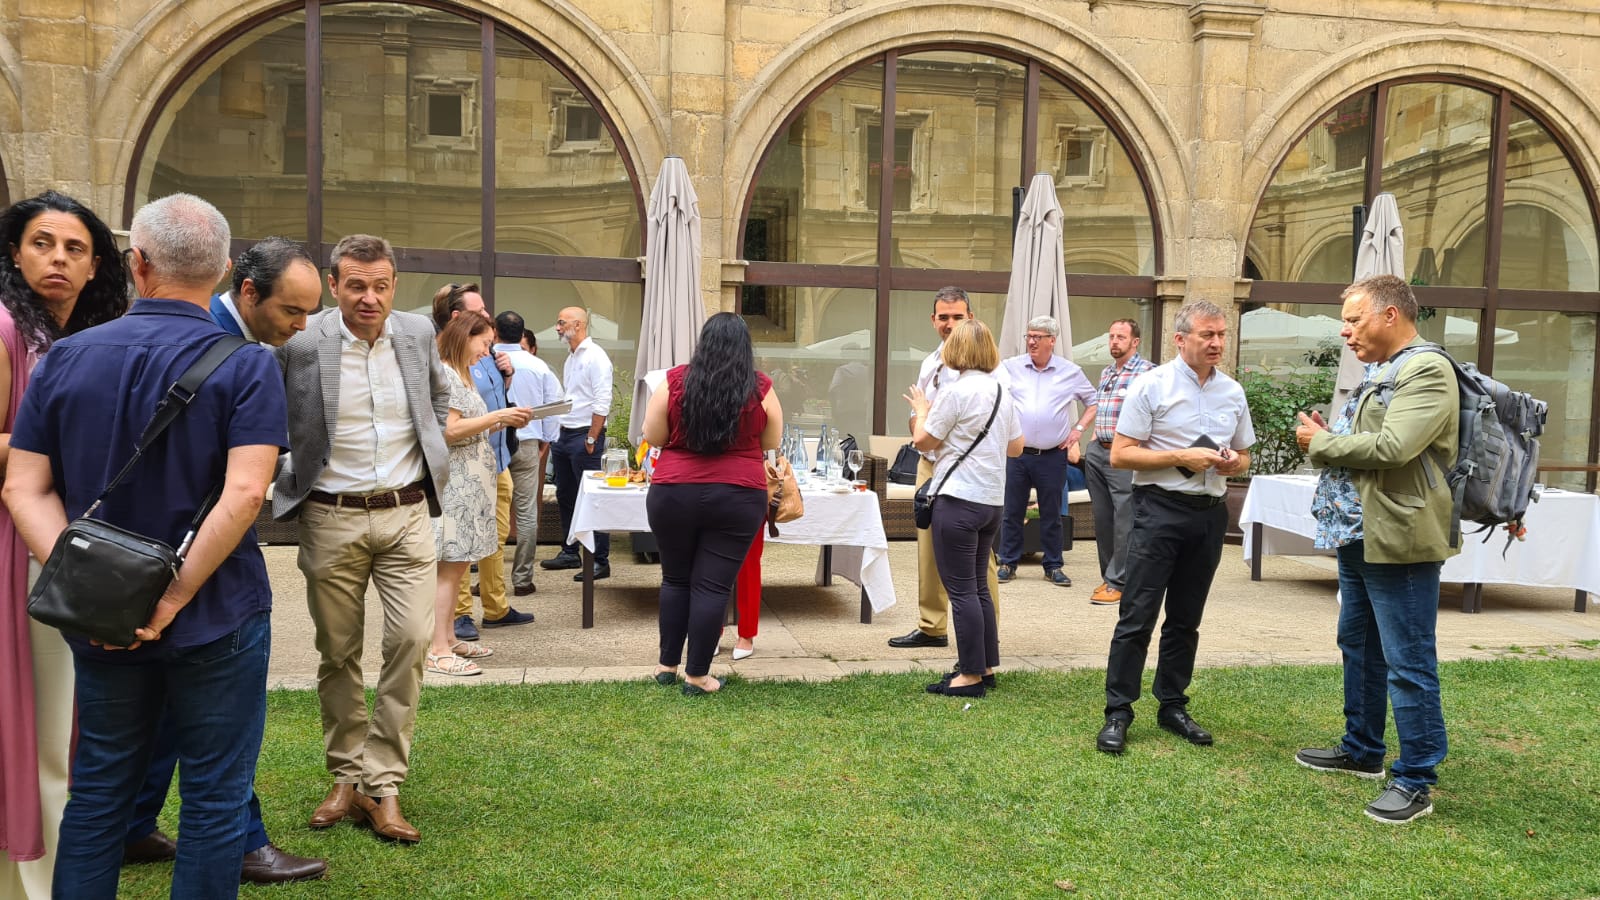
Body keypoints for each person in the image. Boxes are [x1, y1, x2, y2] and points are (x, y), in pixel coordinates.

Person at [3, 192, 286, 898]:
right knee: (215, 798)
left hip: (102, 621)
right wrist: (175, 594)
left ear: (136, 264)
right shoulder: (247, 365)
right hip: (218, 609)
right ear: (223, 271)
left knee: (99, 788)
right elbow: (246, 495)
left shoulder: (65, 357)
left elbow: (21, 488)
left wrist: (88, 586)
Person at [126, 236, 328, 884]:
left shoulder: (175, 339)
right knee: (221, 723)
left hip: (147, 554)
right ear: (247, 290)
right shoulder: (236, 355)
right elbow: (241, 490)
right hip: (205, 561)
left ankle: (132, 821)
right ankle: (244, 841)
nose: (300, 328)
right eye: (293, 312)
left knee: (159, 706)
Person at [273, 233, 450, 844]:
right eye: (356, 285)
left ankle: (384, 782)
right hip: (330, 515)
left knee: (411, 641)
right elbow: (266, 413)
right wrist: (280, 472)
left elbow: (437, 396)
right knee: (339, 651)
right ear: (334, 284)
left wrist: (433, 454)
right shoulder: (302, 340)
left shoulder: (418, 333)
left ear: (394, 284)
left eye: (380, 285)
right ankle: (346, 777)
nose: (368, 297)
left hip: (405, 514)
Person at [1292, 274, 1459, 824]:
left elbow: (1393, 447)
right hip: (1360, 532)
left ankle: (1415, 780)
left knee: (1408, 660)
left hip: (1401, 539)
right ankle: (1362, 750)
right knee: (1359, 644)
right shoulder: (1381, 371)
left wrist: (1322, 444)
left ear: (1390, 315)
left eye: (1354, 319)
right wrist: (1331, 435)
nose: (1345, 331)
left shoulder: (1427, 369)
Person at [0, 191, 128, 898]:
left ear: (96, 264)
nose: (57, 259)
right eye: (42, 243)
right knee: (49, 726)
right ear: (16, 253)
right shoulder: (5, 328)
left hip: (64, 542)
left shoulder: (79, 334)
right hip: (22, 547)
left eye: (74, 248)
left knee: (66, 726)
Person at [1097, 299, 1253, 755]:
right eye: (1208, 335)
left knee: (1186, 618)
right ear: (1180, 339)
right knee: (1138, 615)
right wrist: (1180, 457)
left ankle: (1172, 705)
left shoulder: (1233, 392)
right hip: (1158, 510)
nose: (1217, 343)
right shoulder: (1152, 385)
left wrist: (1231, 464)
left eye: (1222, 334)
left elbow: (1244, 454)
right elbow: (1121, 454)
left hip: (1208, 514)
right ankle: (1118, 711)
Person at [642, 313, 782, 695]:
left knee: (675, 578)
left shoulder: (673, 381)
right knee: (712, 586)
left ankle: (666, 664)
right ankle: (697, 675)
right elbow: (771, 440)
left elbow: (653, 434)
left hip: (674, 490)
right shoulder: (760, 387)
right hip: (737, 494)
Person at [905, 320, 1023, 697]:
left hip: (957, 499)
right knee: (979, 588)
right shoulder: (1003, 392)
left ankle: (969, 675)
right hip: (991, 502)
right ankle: (985, 666)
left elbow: (923, 440)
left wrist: (922, 409)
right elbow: (1016, 447)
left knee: (961, 592)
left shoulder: (955, 392)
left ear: (956, 352)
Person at [888, 286, 1001, 650]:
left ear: (970, 316)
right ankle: (931, 625)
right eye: (943, 317)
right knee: (928, 550)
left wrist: (927, 421)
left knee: (979, 562)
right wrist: (921, 421)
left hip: (969, 473)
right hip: (930, 465)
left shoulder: (990, 367)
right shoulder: (930, 363)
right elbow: (915, 422)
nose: (949, 324)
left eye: (957, 316)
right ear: (933, 320)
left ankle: (986, 633)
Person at [428, 313, 531, 676]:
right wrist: (497, 417)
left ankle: (447, 639)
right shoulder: (447, 373)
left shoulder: (464, 374)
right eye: (484, 343)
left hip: (471, 481)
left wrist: (502, 418)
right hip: (456, 482)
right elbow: (449, 430)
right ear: (462, 336)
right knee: (449, 566)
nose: (487, 351)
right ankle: (437, 647)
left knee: (457, 567)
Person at [995, 315, 1095, 587]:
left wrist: (1078, 430)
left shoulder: (1070, 372)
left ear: (1052, 340)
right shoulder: (1010, 367)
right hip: (1017, 452)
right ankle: (1007, 562)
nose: (1031, 342)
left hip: (1052, 455)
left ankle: (1053, 565)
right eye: (1028, 336)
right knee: (1012, 510)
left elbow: (1094, 401)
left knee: (1052, 512)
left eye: (1037, 337)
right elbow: (992, 394)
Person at [1084, 318, 1155, 605]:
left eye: (1120, 337)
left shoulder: (1148, 373)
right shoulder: (1107, 372)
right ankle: (1109, 576)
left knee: (1125, 518)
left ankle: (1119, 580)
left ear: (1135, 342)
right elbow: (1102, 410)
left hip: (1124, 453)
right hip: (1098, 451)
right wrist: (1089, 443)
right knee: (1102, 519)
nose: (1114, 341)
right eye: (1111, 336)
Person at [541, 306, 614, 580]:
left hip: (586, 435)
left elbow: (602, 400)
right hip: (566, 432)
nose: (558, 328)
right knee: (566, 495)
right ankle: (570, 551)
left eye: (561, 323)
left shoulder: (596, 357)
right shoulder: (572, 357)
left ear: (578, 324)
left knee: (593, 498)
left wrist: (593, 437)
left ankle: (600, 560)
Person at [495, 311, 562, 601]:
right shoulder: (539, 366)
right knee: (526, 512)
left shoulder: (484, 360)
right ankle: (522, 579)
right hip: (527, 443)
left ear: (495, 332)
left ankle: (487, 577)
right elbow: (556, 404)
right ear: (522, 333)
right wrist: (546, 439)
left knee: (488, 512)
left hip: (491, 440)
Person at [211, 236, 323, 346]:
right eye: (292, 312)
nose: (302, 326)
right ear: (250, 292)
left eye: (308, 313)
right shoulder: (211, 340)